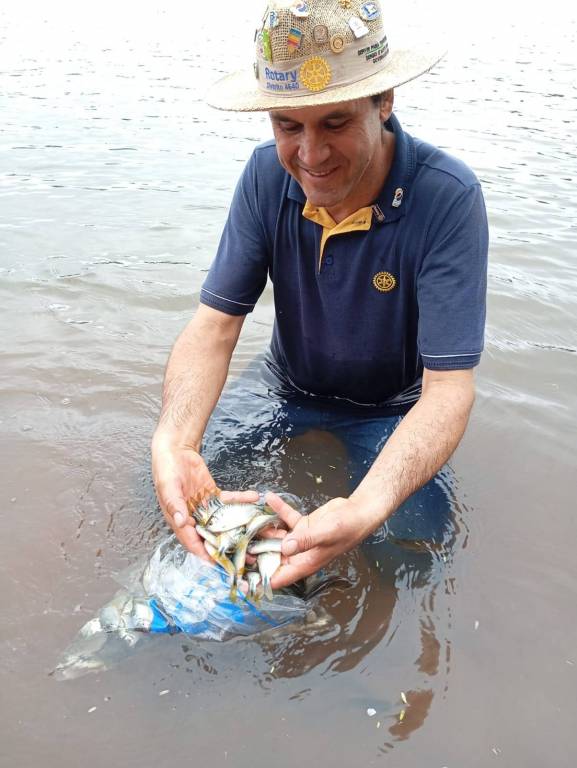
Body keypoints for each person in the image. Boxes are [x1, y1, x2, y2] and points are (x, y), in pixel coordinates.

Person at [151, 0, 488, 590]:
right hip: (285, 387)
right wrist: (175, 440)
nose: (310, 156)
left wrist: (364, 508)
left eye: (334, 123)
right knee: (172, 491)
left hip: (391, 409)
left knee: (411, 559)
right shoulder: (265, 176)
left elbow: (447, 390)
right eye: (288, 126)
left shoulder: (447, 198)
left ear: (384, 101)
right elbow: (215, 327)